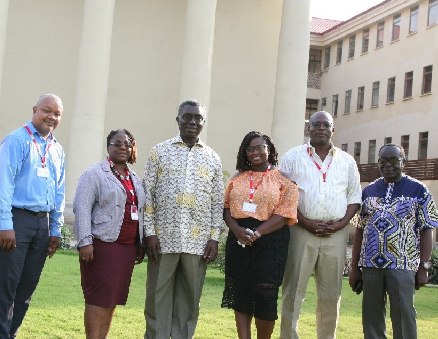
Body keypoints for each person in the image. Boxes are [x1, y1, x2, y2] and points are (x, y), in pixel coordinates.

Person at [143, 100, 225, 339]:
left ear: (203, 123)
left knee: (189, 301)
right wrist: (149, 233)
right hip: (163, 240)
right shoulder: (160, 151)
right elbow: (148, 194)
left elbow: (217, 201)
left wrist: (214, 238)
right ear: (177, 119)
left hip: (197, 243)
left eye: (197, 118)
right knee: (157, 298)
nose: (192, 122)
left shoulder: (212, 158)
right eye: (187, 117)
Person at [0, 93, 65, 339]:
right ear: (34, 110)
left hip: (42, 224)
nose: (51, 117)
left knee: (27, 288)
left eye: (57, 113)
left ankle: (9, 334)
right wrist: (5, 225)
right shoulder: (16, 141)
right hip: (16, 220)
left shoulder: (57, 149)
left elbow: (59, 192)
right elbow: (2, 186)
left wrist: (55, 229)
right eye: (46, 110)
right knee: (6, 287)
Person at [279, 111, 361, 339]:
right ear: (308, 129)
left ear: (333, 129)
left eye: (326, 125)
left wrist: (340, 225)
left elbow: (355, 197)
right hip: (300, 231)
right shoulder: (293, 157)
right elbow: (283, 196)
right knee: (293, 291)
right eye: (316, 124)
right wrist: (305, 223)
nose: (321, 128)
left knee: (331, 294)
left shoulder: (346, 161)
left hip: (335, 235)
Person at [349, 144, 438, 339]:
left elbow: (427, 230)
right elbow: (359, 230)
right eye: (383, 161)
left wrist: (424, 267)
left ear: (403, 162)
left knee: (404, 315)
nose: (388, 165)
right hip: (371, 266)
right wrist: (355, 267)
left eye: (393, 161)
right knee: (371, 317)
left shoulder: (419, 190)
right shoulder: (369, 191)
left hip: (403, 265)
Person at [221, 131, 298, 339]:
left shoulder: (285, 178)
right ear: (244, 153)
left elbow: (285, 214)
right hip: (239, 240)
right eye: (250, 149)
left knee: (265, 296)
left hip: (270, 241)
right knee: (241, 294)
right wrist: (236, 230)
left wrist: (257, 233)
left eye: (260, 148)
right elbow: (226, 207)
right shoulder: (237, 178)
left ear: (269, 150)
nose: (255, 152)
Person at [73, 128, 146, 339]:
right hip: (103, 246)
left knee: (113, 299)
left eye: (127, 143)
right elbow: (82, 208)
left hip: (127, 249)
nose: (123, 147)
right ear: (108, 147)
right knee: (99, 299)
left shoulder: (134, 177)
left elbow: (138, 211)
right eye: (117, 143)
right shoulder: (94, 174)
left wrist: (139, 244)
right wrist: (85, 241)